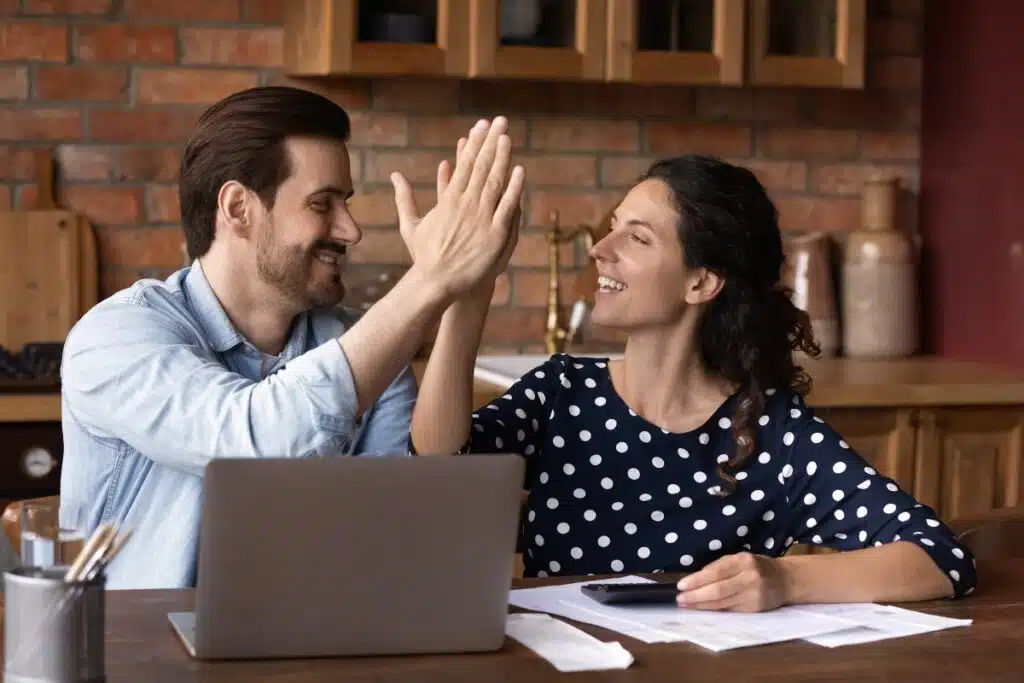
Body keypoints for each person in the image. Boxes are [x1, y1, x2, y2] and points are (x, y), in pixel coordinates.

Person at [410, 154, 977, 612]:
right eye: (611, 229)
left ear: (701, 282)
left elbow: (939, 560)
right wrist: (464, 291)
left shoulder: (772, 434)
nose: (600, 250)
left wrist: (785, 579)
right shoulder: (562, 393)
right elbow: (439, 461)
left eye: (636, 238)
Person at [58, 86, 525, 589]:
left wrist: (464, 293)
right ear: (239, 208)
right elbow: (254, 443)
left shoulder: (355, 341)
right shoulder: (116, 336)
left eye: (345, 203)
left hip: (314, 644)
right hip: (135, 653)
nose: (350, 230)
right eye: (322, 204)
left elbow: (414, 513)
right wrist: (430, 279)